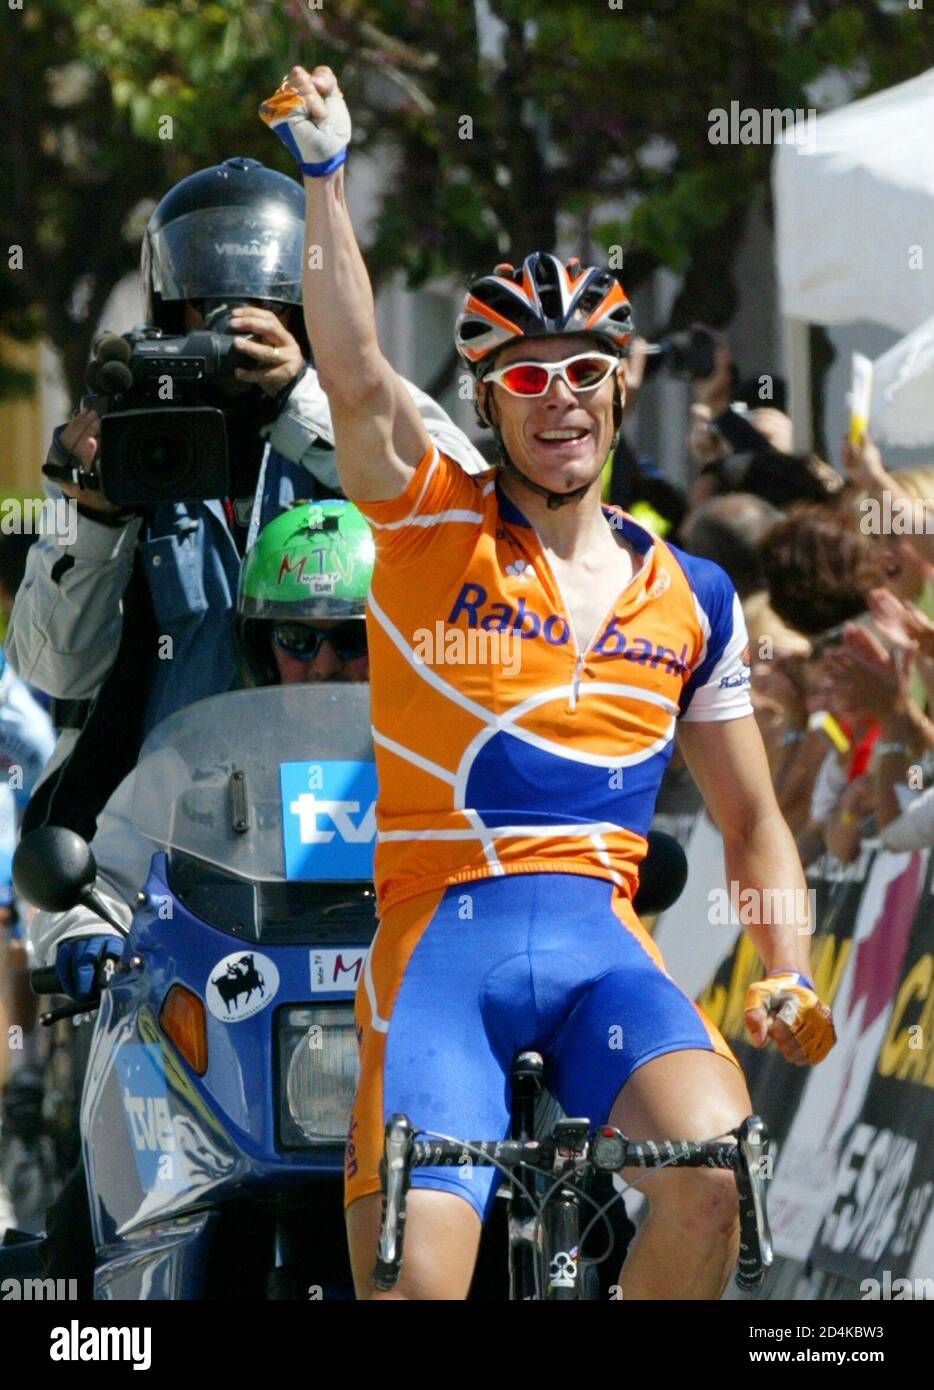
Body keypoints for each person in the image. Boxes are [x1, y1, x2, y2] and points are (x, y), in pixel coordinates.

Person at [260, 64, 837, 1301]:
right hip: (435, 960)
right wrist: (324, 183)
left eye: (584, 370)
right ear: (486, 400)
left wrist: (784, 966)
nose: (558, 399)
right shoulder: (427, 524)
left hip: (600, 957)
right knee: (417, 1286)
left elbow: (752, 821)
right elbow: (356, 375)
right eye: (525, 377)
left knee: (713, 1171)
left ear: (625, 383)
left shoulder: (693, 595)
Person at [6, 158, 484, 845]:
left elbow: (461, 525)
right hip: (171, 837)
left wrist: (305, 401)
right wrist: (94, 522)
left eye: (265, 311)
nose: (235, 335)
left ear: (305, 309)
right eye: (211, 310)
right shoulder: (134, 436)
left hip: (360, 819)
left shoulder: (367, 408)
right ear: (173, 310)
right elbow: (50, 668)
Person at [19, 500, 373, 1296]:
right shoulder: (196, 773)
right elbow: (97, 871)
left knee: (557, 1207)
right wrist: (83, 930)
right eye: (296, 638)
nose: (322, 664)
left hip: (403, 1077)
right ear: (256, 644)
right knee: (83, 1230)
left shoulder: (437, 767)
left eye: (351, 639)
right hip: (230, 1088)